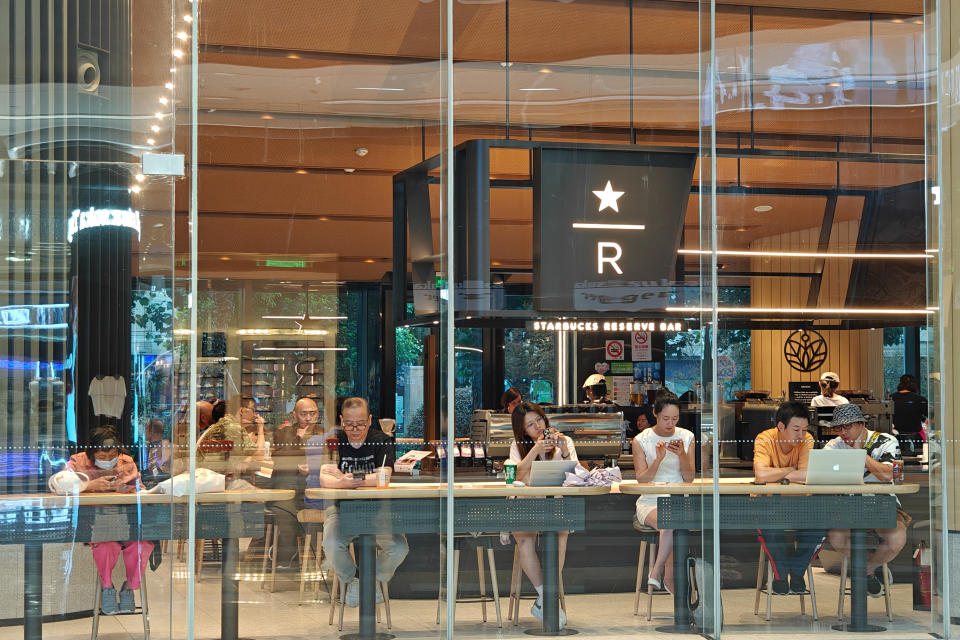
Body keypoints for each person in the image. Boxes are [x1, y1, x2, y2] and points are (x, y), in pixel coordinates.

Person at [320, 397, 408, 607]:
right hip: (343, 510)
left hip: (378, 511)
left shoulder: (382, 440)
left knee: (398, 548)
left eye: (360, 423)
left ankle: (373, 580)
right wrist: (347, 482)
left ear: (369, 420)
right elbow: (325, 478)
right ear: (342, 420)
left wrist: (345, 479)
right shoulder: (334, 440)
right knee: (331, 545)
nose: (355, 429)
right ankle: (353, 581)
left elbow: (384, 478)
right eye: (349, 424)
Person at [61, 427, 153, 615]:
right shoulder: (77, 462)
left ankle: (129, 587)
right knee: (107, 546)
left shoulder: (125, 462)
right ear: (92, 453)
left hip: (126, 521)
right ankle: (107, 587)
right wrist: (88, 485)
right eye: (102, 456)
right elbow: (59, 486)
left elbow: (141, 489)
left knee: (142, 545)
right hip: (94, 524)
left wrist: (126, 489)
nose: (108, 459)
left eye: (112, 454)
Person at [508, 402, 581, 626]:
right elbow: (514, 476)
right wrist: (534, 451)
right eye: (530, 425)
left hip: (555, 505)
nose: (537, 426)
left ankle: (544, 600)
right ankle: (547, 597)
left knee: (560, 532)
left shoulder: (564, 441)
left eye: (538, 420)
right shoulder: (518, 445)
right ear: (523, 431)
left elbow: (577, 474)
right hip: (525, 504)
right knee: (523, 538)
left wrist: (565, 450)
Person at [824, 403, 908, 597]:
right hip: (848, 504)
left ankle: (866, 570)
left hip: (881, 502)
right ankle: (872, 570)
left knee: (896, 538)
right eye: (839, 428)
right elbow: (823, 473)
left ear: (861, 424)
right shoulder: (834, 446)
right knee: (836, 537)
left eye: (848, 426)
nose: (842, 432)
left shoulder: (886, 441)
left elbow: (888, 475)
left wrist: (858, 454)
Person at [753, 401, 825, 595]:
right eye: (796, 430)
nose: (801, 435)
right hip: (769, 502)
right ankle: (781, 574)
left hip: (800, 502)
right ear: (781, 426)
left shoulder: (807, 439)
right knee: (770, 526)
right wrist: (792, 470)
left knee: (821, 523)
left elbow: (806, 474)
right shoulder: (765, 438)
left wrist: (777, 474)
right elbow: (760, 475)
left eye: (804, 430)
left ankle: (797, 569)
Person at [631, 393, 695, 593]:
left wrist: (682, 455)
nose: (670, 423)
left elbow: (689, 478)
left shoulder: (686, 437)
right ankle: (662, 574)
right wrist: (658, 459)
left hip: (680, 501)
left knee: (671, 522)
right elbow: (642, 480)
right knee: (669, 522)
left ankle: (660, 574)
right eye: (665, 418)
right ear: (655, 414)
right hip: (651, 501)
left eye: (675, 419)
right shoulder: (641, 440)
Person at [270, 396, 331, 568]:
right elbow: (277, 457)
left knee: (319, 515)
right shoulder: (284, 432)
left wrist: (313, 467)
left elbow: (331, 459)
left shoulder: (324, 433)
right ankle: (289, 556)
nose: (308, 418)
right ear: (294, 415)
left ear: (318, 414)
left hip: (315, 486)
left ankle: (316, 559)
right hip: (287, 486)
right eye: (304, 414)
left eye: (312, 413)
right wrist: (298, 440)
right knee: (284, 513)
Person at [891, 374, 927, 456]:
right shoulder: (920, 400)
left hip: (895, 439)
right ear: (914, 385)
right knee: (919, 462)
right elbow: (933, 417)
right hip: (916, 440)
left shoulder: (890, 399)